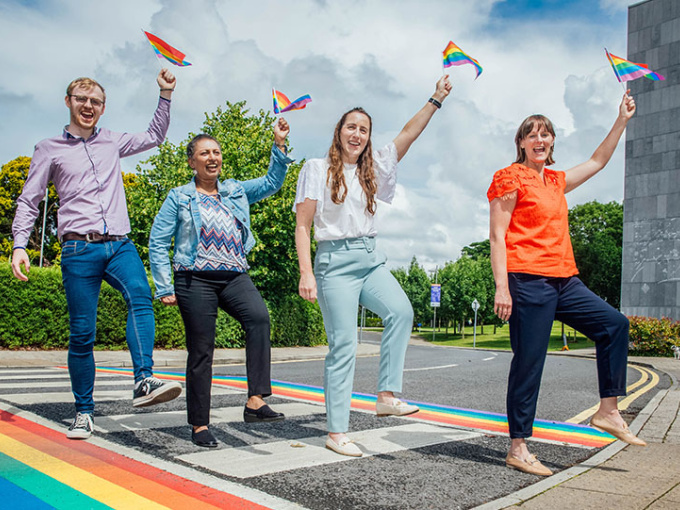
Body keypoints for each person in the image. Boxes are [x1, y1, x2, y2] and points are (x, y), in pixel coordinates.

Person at [11, 69, 183, 440]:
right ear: (69, 102)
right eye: (81, 99)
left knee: (140, 295)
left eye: (96, 102)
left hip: (119, 243)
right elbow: (31, 199)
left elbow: (154, 136)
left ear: (103, 108)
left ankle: (143, 380)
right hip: (78, 248)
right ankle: (83, 412)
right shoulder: (48, 149)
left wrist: (165, 94)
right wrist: (20, 244)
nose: (88, 106)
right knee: (82, 334)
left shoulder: (112, 141)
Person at [488, 90, 645, 477]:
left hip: (565, 280)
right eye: (532, 135)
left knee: (614, 325)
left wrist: (621, 120)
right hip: (528, 282)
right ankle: (518, 448)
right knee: (529, 363)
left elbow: (598, 160)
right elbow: (496, 235)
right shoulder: (510, 177)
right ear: (521, 143)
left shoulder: (556, 180)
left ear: (552, 141)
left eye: (545, 135)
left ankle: (608, 411)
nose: (539, 141)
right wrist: (502, 287)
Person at [295, 76, 452, 457]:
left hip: (369, 258)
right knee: (344, 346)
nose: (358, 134)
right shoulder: (316, 168)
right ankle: (336, 432)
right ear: (339, 131)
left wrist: (436, 98)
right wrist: (306, 272)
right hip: (334, 264)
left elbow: (408, 134)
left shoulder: (374, 168)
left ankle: (386, 394)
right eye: (351, 126)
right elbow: (302, 225)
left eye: (364, 129)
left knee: (401, 311)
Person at [148, 119, 293, 448]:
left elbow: (272, 182)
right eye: (204, 153)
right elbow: (158, 242)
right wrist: (164, 286)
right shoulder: (179, 198)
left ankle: (255, 401)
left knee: (258, 318)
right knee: (202, 350)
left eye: (216, 152)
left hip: (233, 275)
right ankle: (200, 424)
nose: (212, 157)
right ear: (192, 161)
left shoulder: (235, 190)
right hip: (194, 277)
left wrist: (279, 144)